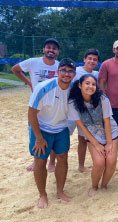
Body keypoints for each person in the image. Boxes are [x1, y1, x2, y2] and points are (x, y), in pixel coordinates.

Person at [28, 58, 76, 209]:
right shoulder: (43, 87)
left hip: (61, 128)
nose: (66, 74)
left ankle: (60, 191)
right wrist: (39, 138)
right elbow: (31, 115)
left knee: (63, 159)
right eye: (63, 70)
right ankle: (42, 195)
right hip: (42, 128)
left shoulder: (74, 89)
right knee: (40, 161)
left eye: (70, 71)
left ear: (74, 74)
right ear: (57, 71)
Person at [12, 38, 60, 172]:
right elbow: (15, 69)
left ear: (58, 52)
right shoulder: (33, 62)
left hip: (53, 105)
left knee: (53, 132)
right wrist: (28, 82)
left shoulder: (59, 66)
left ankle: (51, 162)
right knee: (35, 132)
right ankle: (36, 161)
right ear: (44, 49)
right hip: (36, 104)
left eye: (54, 48)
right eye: (48, 47)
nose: (51, 50)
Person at [68, 74, 118, 196]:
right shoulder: (73, 103)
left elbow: (107, 121)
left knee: (111, 161)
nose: (90, 86)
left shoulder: (102, 99)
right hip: (91, 132)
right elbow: (81, 126)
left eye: (93, 84)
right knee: (99, 162)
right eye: (87, 83)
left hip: (109, 130)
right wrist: (96, 144)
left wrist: (109, 143)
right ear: (80, 85)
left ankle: (104, 185)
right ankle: (95, 186)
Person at [70, 48, 100, 172]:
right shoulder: (75, 71)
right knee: (62, 134)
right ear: (84, 59)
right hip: (72, 107)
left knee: (82, 138)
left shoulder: (97, 74)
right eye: (89, 58)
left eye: (95, 59)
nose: (92, 61)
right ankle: (52, 162)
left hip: (87, 109)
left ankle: (81, 165)